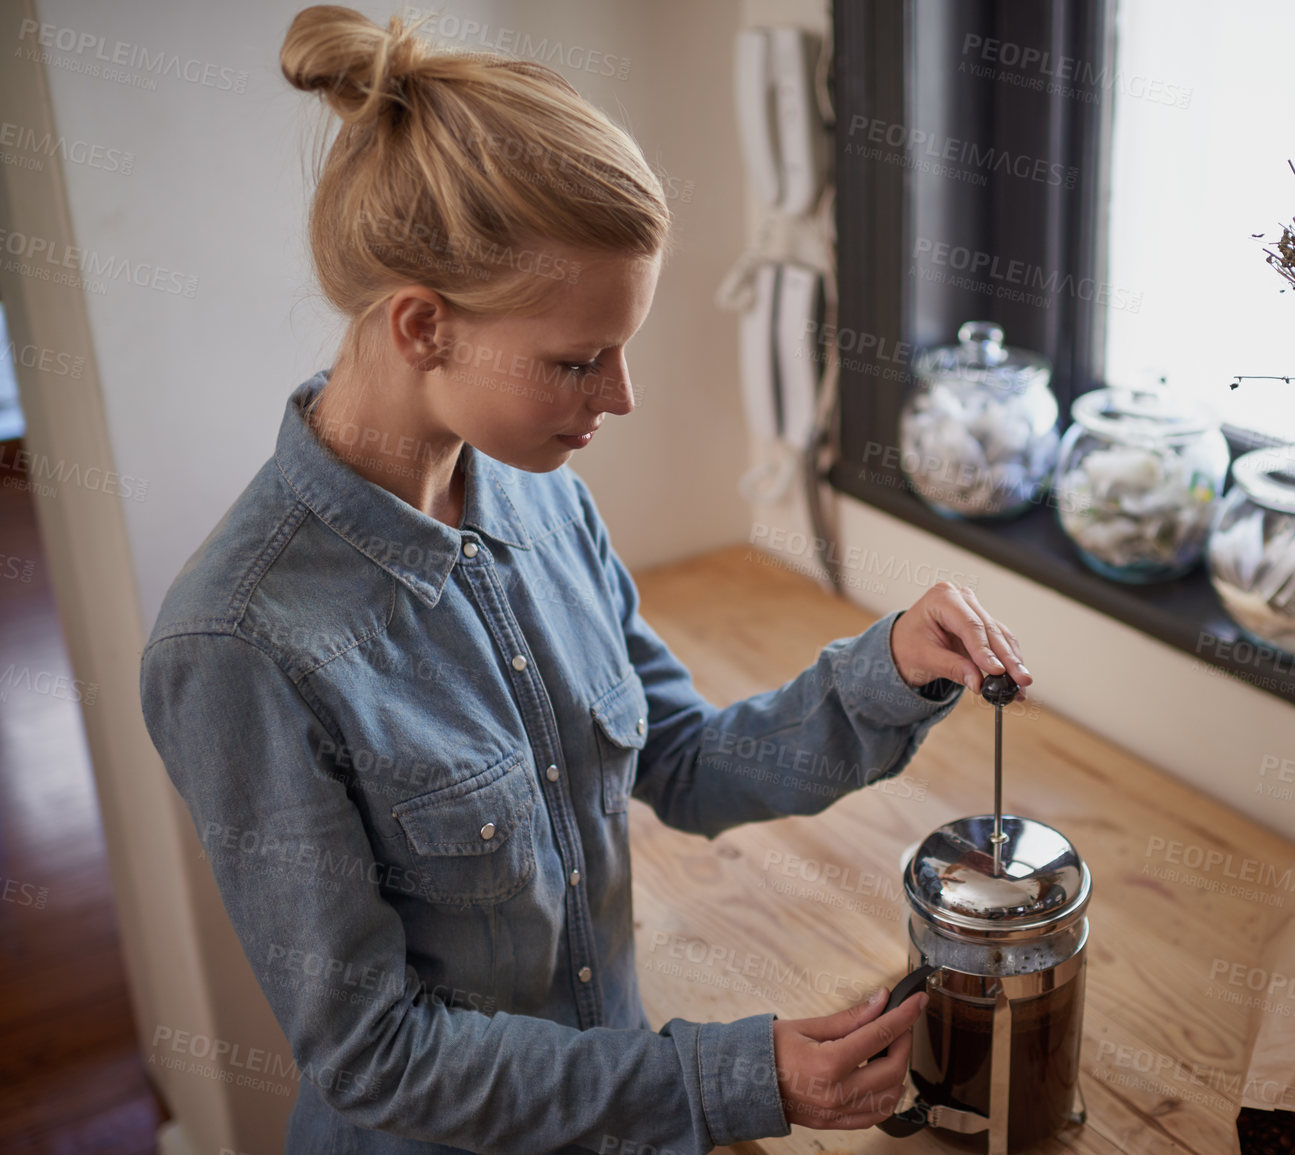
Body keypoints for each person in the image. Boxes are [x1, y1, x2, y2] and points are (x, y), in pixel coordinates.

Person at [138, 8, 1033, 1153]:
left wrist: (886, 672)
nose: (620, 398)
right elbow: (376, 1058)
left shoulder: (539, 494)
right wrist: (722, 1081)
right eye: (577, 361)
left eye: (622, 347)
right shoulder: (237, 647)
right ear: (422, 326)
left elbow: (686, 764)